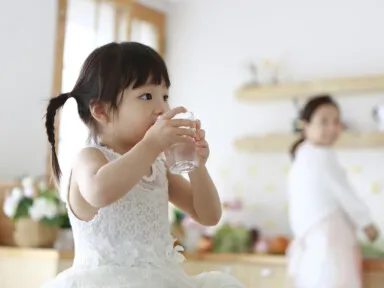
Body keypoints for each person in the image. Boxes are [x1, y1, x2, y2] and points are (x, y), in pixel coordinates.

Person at [42, 42, 245, 288]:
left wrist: (197, 166)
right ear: (101, 110)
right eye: (146, 96)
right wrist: (151, 145)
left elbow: (209, 215)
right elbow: (100, 192)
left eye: (165, 96)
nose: (162, 108)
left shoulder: (157, 168)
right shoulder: (90, 157)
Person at [286, 95, 380, 288]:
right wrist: (367, 224)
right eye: (324, 121)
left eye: (336, 121)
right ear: (306, 125)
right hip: (328, 242)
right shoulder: (319, 156)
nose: (332, 128)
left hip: (315, 246)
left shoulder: (303, 155)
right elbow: (345, 193)